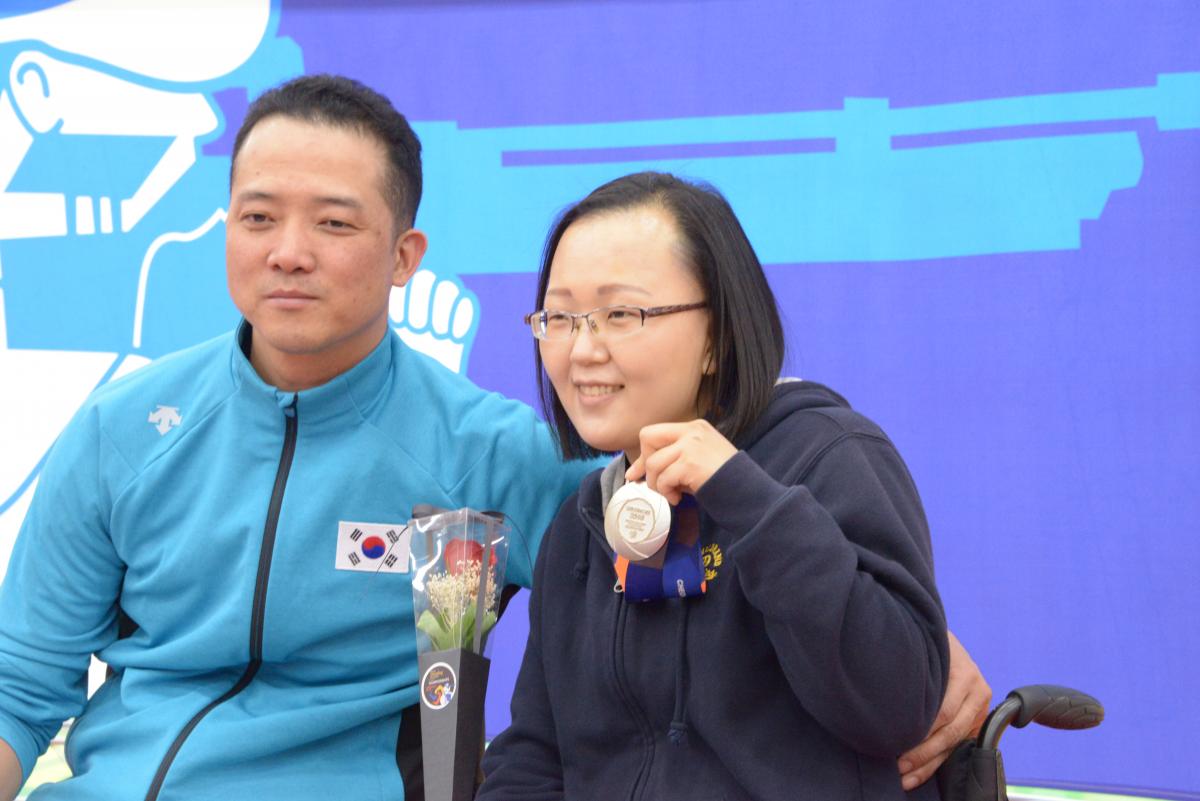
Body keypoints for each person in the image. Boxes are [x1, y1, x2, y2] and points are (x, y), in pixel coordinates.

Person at [0, 76, 986, 800]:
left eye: (333, 223)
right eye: (257, 216)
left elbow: (721, 507)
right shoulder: (124, 432)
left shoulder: (498, 458)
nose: (287, 252)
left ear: (404, 257)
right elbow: (17, 686)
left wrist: (928, 652)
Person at [478, 172, 956, 800]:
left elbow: (897, 704)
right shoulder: (582, 519)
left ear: (718, 335)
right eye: (561, 317)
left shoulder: (827, 457)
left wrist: (744, 498)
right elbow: (535, 758)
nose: (581, 350)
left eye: (621, 314)